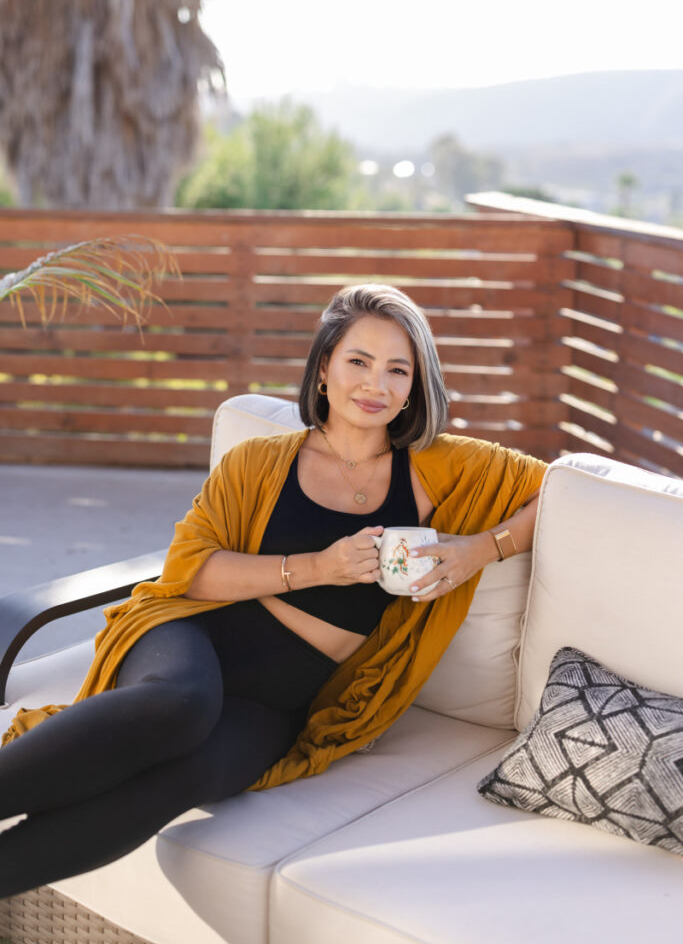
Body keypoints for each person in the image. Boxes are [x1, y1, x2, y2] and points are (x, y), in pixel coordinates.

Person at [0, 283, 546, 898]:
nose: (377, 384)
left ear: (415, 388)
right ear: (322, 371)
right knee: (177, 707)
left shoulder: (443, 466)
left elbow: (555, 490)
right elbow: (189, 569)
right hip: (193, 635)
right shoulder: (259, 461)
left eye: (399, 370)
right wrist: (319, 567)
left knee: (186, 776)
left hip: (281, 703)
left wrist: (478, 550)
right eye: (358, 362)